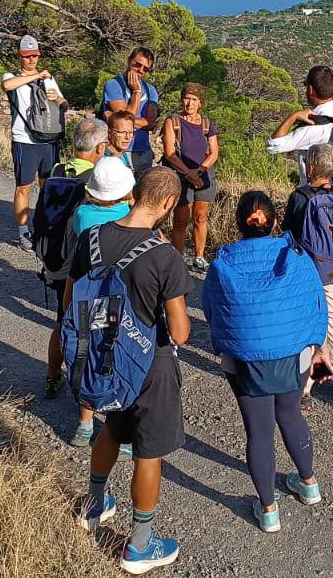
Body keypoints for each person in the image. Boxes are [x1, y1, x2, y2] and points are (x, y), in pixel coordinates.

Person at [74, 167, 191, 574]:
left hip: (104, 354)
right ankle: (139, 545)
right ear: (168, 203)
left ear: (135, 192)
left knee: (112, 426)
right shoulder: (164, 255)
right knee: (148, 450)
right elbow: (180, 332)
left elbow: (73, 299)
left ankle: (93, 503)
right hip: (149, 363)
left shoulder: (91, 239)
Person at [202, 192, 328, 533]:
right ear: (274, 222)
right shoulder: (297, 256)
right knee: (291, 414)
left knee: (258, 432)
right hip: (293, 354)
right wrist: (318, 347)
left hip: (244, 360)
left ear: (238, 223)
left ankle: (269, 510)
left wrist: (226, 345)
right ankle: (309, 484)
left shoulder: (222, 262)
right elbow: (317, 305)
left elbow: (212, 312)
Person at [267, 65, 333, 337]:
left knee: (311, 252)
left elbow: (272, 145)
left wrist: (293, 116)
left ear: (310, 90)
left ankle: (312, 313)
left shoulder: (314, 126)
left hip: (313, 201)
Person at [51, 156, 136, 442]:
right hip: (120, 297)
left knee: (88, 354)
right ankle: (119, 424)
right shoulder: (127, 213)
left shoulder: (82, 215)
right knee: (119, 354)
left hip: (87, 295)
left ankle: (85, 423)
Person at [282, 144, 333, 405]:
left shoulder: (300, 197)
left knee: (306, 326)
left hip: (307, 272)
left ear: (311, 167)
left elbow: (288, 235)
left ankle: (305, 385)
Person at [4, 35, 68, 250]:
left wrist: (58, 100)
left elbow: (64, 104)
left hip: (48, 140)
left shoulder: (49, 79)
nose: (31, 60)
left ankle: (44, 226)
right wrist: (36, 76)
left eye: (35, 55)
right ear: (20, 56)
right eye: (27, 56)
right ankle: (23, 232)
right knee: (24, 186)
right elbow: (7, 85)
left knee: (47, 186)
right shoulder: (12, 76)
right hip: (24, 140)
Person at [160, 82, 219, 272]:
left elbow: (214, 153)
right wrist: (189, 173)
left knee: (201, 217)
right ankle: (177, 259)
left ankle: (199, 257)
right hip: (181, 175)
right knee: (181, 219)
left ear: (200, 102)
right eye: (186, 98)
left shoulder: (207, 124)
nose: (189, 103)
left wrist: (199, 172)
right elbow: (170, 153)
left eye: (194, 99)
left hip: (203, 175)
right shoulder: (173, 122)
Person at [102, 47, 160, 172]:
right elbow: (125, 122)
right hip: (119, 151)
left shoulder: (151, 90)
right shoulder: (113, 85)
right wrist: (136, 92)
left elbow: (151, 124)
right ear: (129, 60)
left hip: (143, 151)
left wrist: (117, 116)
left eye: (145, 69)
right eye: (137, 65)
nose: (140, 70)